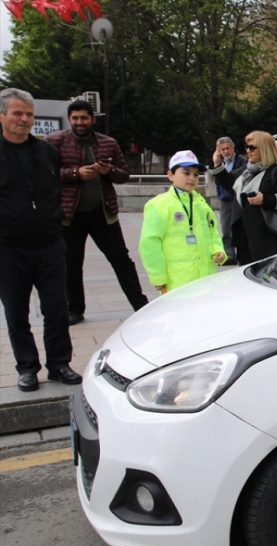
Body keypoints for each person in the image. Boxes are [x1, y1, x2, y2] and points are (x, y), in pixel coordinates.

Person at [0, 88, 82, 391]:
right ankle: (27, 368)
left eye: (29, 114)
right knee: (16, 312)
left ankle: (60, 364)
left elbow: (54, 190)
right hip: (9, 247)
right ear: (2, 116)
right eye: (17, 113)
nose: (24, 119)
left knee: (57, 308)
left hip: (48, 243)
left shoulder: (46, 150)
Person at [47, 99, 148, 325]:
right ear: (69, 119)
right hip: (69, 216)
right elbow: (46, 173)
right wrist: (75, 174)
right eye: (75, 118)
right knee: (71, 264)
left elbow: (124, 175)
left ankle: (140, 304)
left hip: (103, 214)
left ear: (93, 119)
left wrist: (108, 170)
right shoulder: (55, 141)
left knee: (121, 260)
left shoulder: (108, 143)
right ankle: (75, 308)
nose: (79, 122)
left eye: (84, 118)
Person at [138, 151, 226, 294]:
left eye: (196, 174)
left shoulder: (201, 204)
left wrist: (218, 250)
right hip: (177, 282)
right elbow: (149, 243)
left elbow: (212, 232)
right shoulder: (159, 205)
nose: (192, 178)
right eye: (186, 173)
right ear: (171, 175)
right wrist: (158, 277)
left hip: (206, 280)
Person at [230, 131, 277, 265]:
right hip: (244, 237)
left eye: (252, 147)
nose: (248, 151)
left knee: (266, 277)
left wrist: (266, 200)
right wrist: (217, 165)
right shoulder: (246, 171)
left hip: (267, 237)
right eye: (247, 147)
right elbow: (227, 182)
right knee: (246, 277)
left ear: (264, 149)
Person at [207, 136, 247, 264]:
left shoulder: (242, 162)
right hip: (225, 200)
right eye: (222, 149)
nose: (225, 151)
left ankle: (241, 254)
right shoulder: (218, 162)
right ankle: (229, 255)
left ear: (233, 148)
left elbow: (231, 180)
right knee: (225, 229)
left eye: (227, 148)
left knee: (239, 228)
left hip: (237, 200)